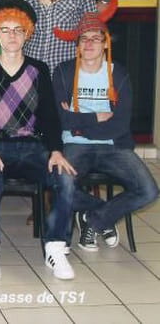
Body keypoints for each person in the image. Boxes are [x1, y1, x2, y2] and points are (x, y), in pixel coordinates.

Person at [0, 0, 76, 282]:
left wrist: (56, 150)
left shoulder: (38, 69)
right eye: (5, 29)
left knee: (65, 178)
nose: (12, 35)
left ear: (27, 32)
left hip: (33, 147)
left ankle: (56, 247)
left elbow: (50, 115)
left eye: (18, 29)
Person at [53, 13, 158, 252]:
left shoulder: (118, 74)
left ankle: (93, 219)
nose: (89, 43)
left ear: (106, 44)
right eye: (84, 39)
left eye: (96, 38)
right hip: (74, 144)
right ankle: (103, 213)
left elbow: (120, 124)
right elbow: (61, 119)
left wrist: (79, 125)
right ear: (77, 44)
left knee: (149, 191)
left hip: (113, 145)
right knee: (59, 184)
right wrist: (94, 118)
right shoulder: (64, 72)